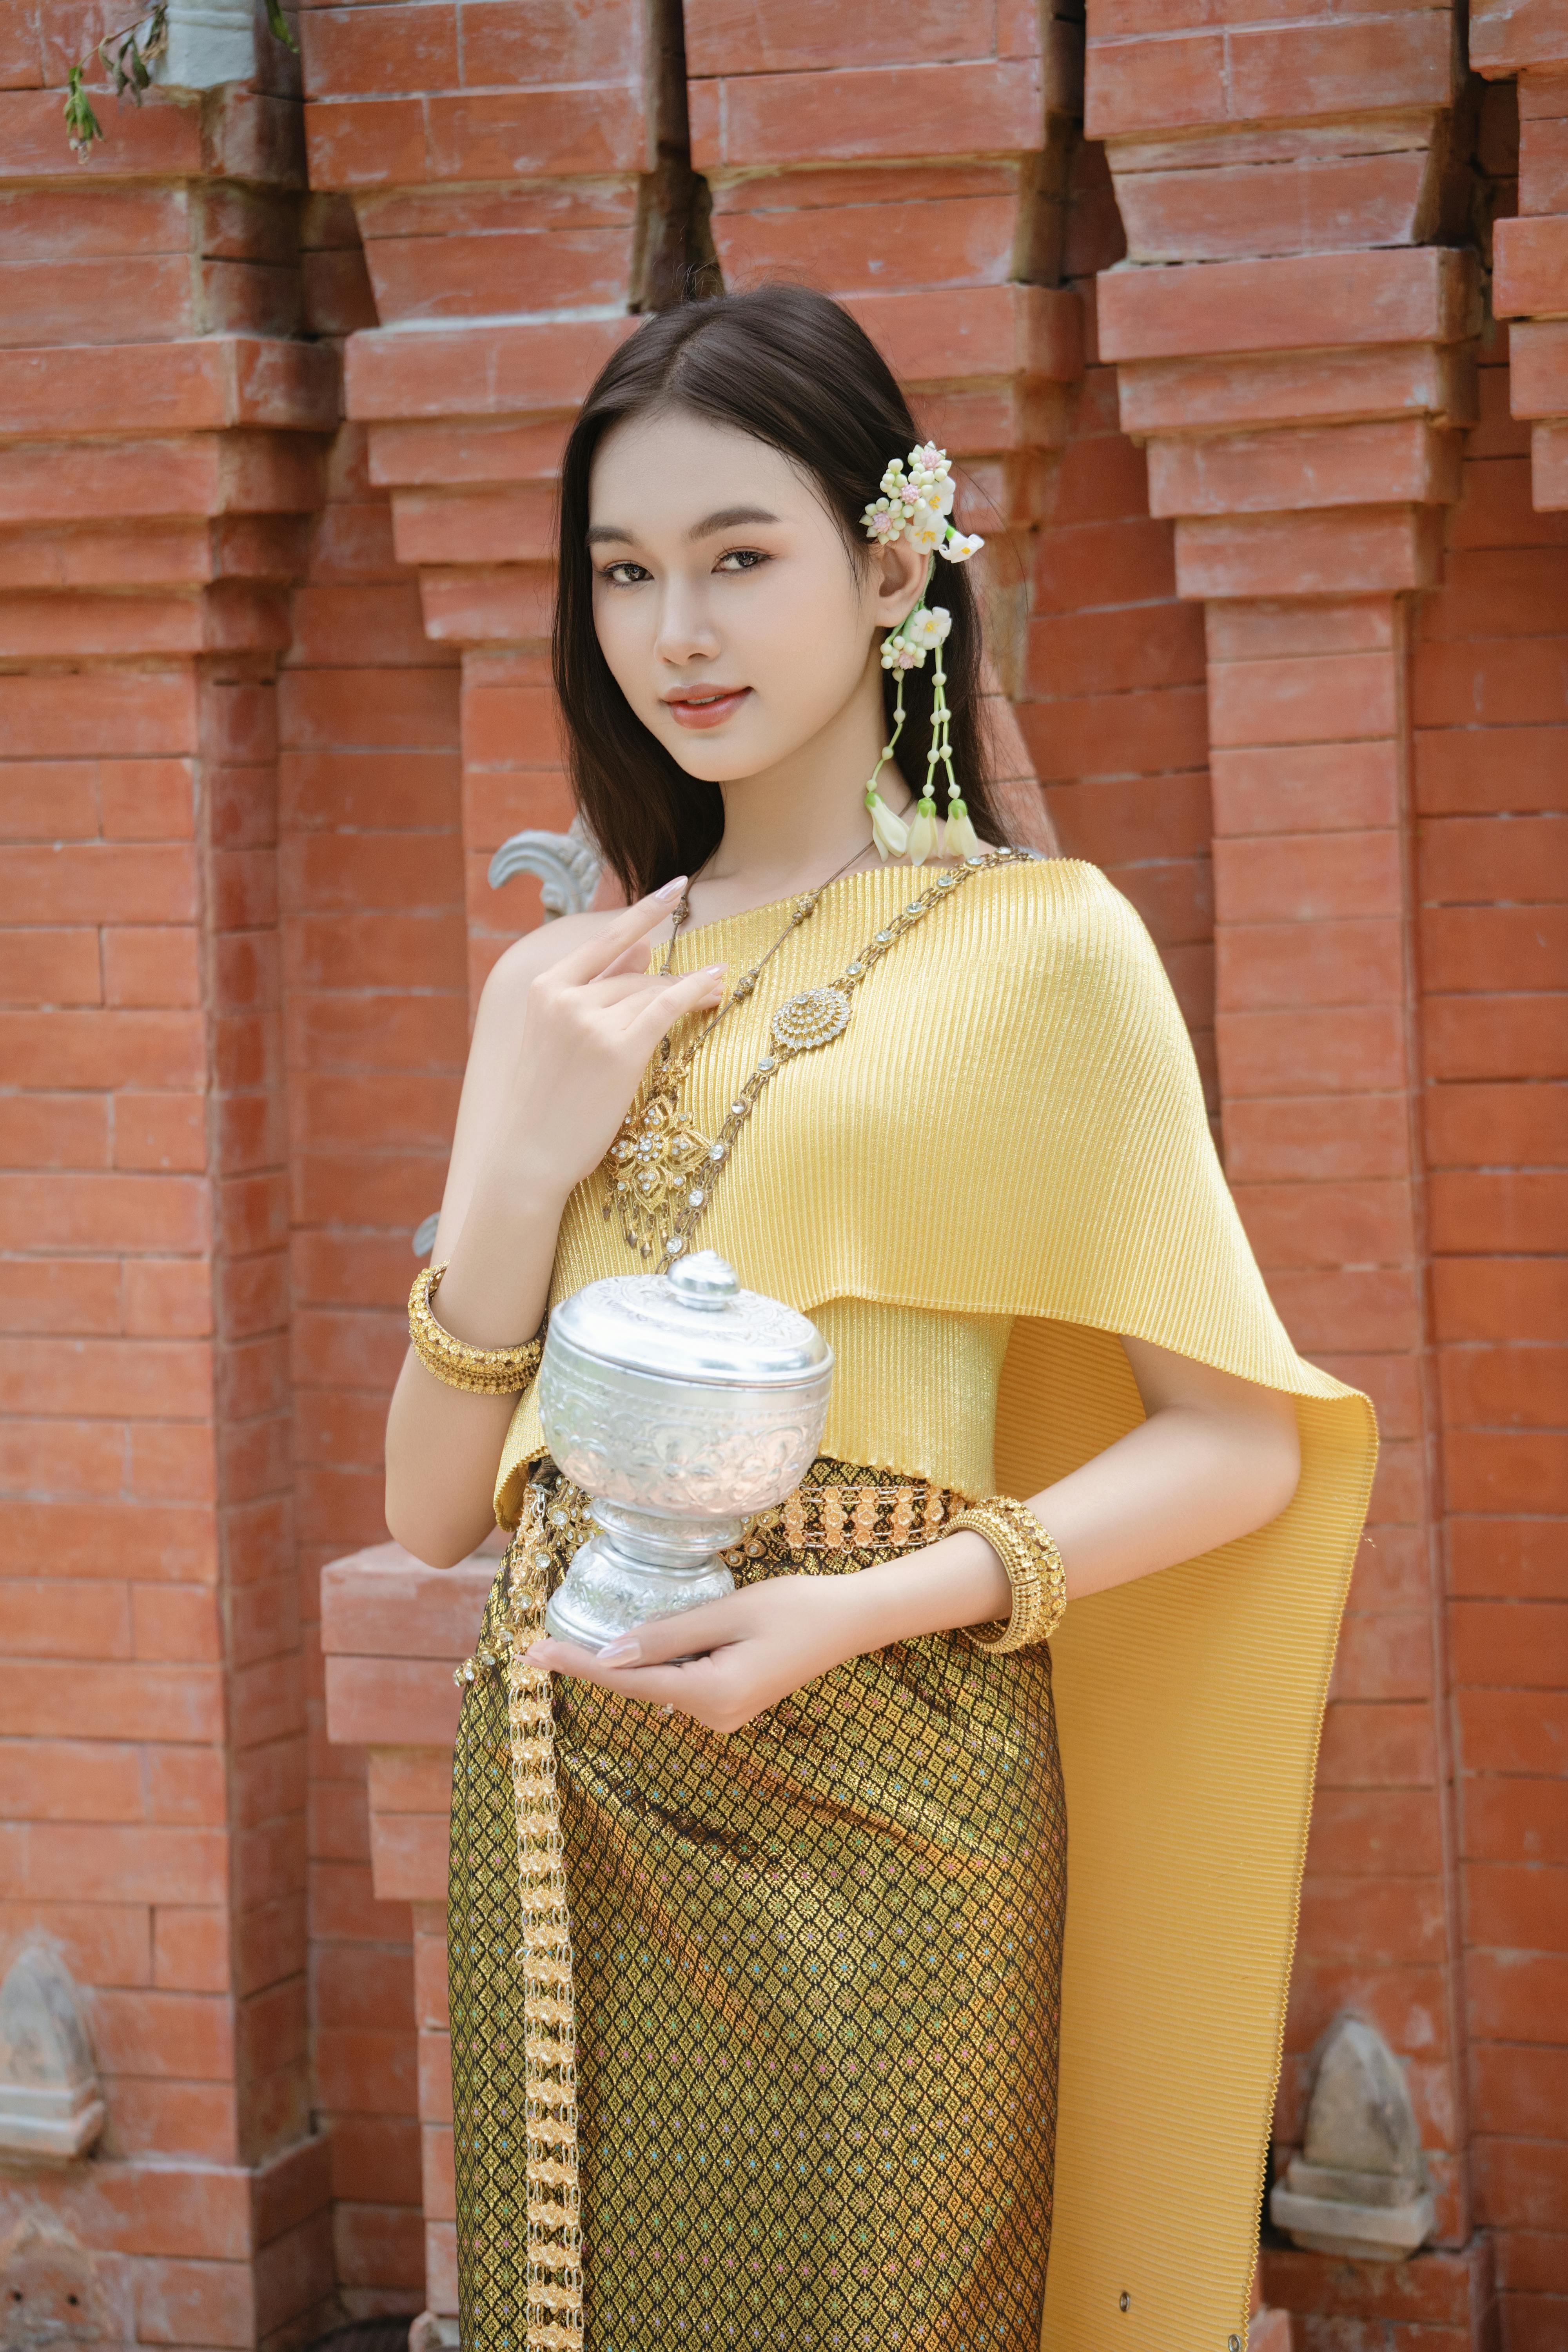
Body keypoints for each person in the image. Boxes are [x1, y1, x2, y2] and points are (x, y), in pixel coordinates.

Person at [384, 285, 1377, 2352]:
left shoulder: (1042, 948)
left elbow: (1240, 1442)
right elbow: (432, 1510)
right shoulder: (561, 986)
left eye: (741, 558)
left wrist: (854, 1607)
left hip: (891, 1795)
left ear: (893, 563)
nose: (680, 634)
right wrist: (514, 1160)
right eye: (628, 574)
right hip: (568, 1781)